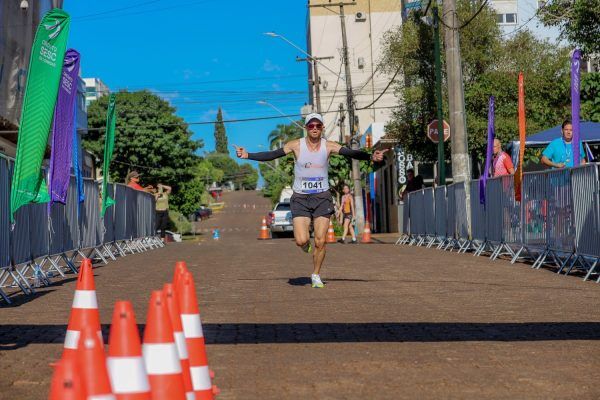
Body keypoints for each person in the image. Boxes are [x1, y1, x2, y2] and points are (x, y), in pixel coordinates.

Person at [235, 112, 387, 288]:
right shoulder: (296, 145)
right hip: (300, 198)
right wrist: (248, 155)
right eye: (311, 126)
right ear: (306, 128)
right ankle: (305, 245)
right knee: (301, 240)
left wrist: (370, 156)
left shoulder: (329, 146)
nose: (314, 129)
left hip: (322, 197)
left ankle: (316, 274)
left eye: (318, 126)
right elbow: (273, 154)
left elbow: (351, 152)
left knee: (321, 240)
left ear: (322, 128)